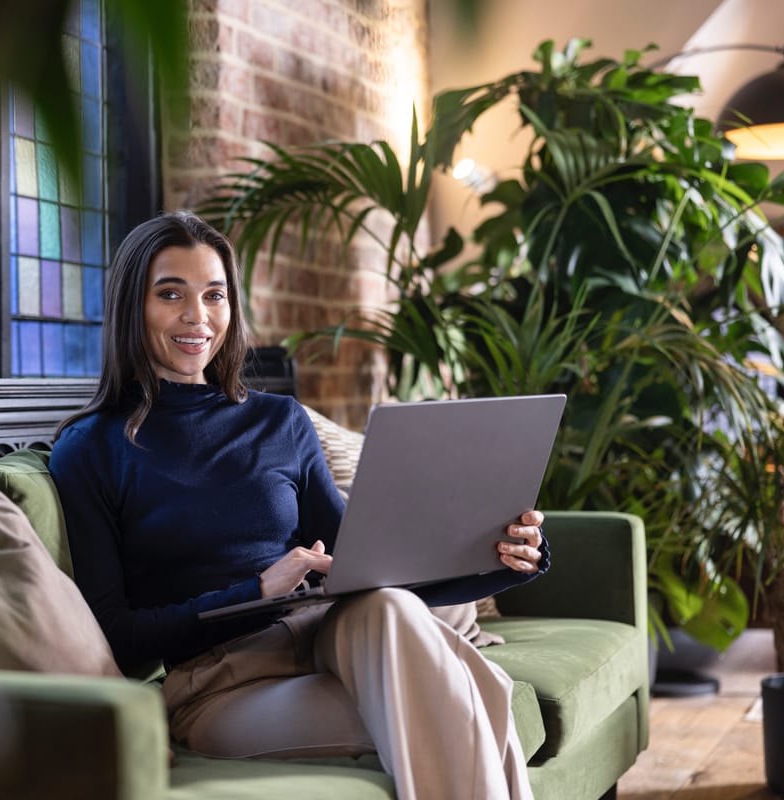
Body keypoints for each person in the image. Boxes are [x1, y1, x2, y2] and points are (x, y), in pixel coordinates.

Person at [49, 210, 549, 799]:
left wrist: (499, 555)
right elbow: (119, 637)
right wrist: (259, 591)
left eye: (214, 295)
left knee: (386, 604)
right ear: (132, 305)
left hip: (329, 637)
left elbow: (366, 568)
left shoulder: (278, 421)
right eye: (170, 294)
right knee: (472, 690)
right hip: (221, 683)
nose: (197, 316)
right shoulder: (91, 449)